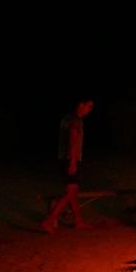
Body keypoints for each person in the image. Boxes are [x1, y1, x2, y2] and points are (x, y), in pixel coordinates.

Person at [41, 99, 94, 233]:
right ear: (81, 105)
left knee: (73, 192)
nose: (90, 109)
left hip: (67, 159)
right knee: (70, 193)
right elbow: (73, 140)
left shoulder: (68, 118)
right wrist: (73, 162)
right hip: (70, 159)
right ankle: (48, 221)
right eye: (89, 106)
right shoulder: (75, 120)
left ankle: (78, 221)